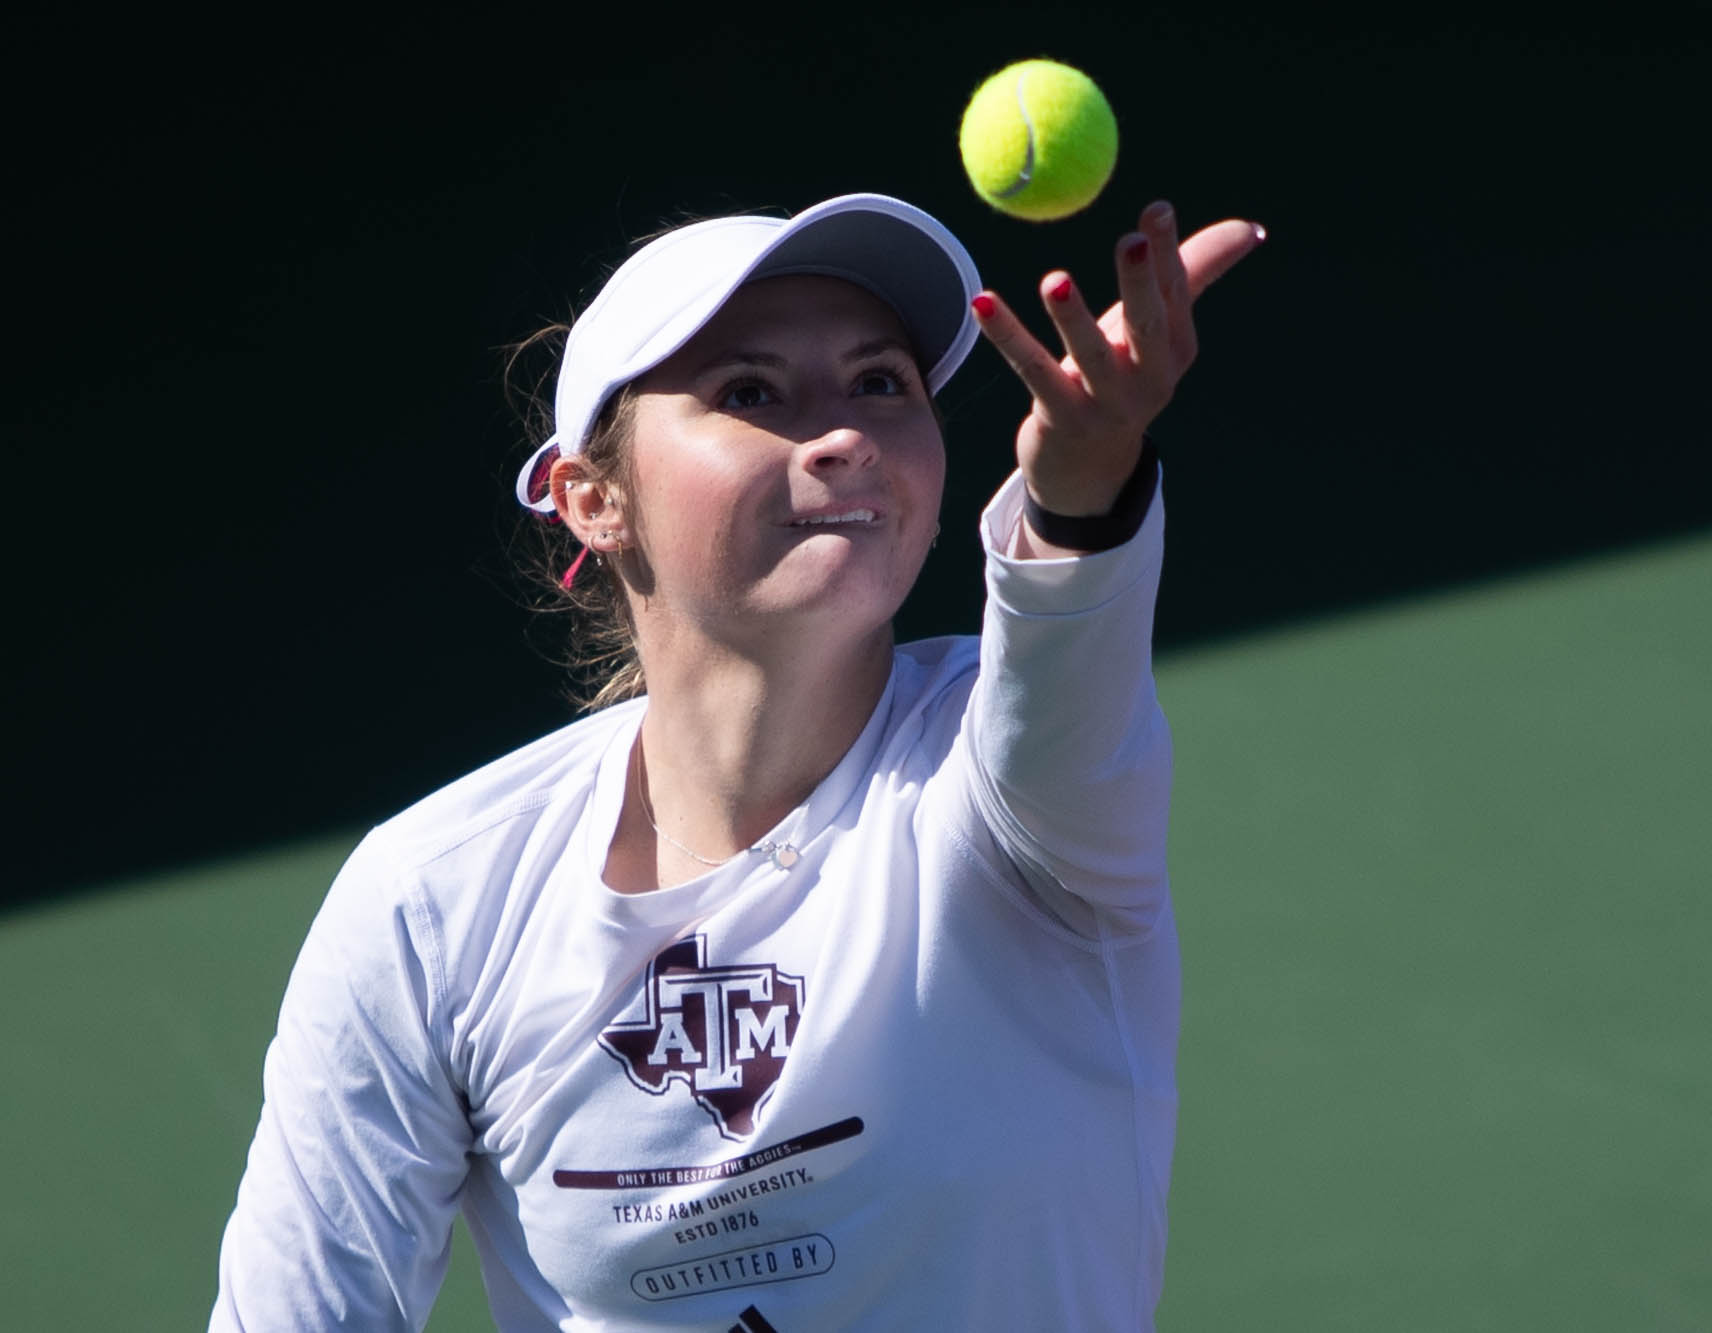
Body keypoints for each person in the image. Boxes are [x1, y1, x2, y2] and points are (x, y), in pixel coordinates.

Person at [210, 190, 1263, 1331]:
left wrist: (1080, 487)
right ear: (592, 499)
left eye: (881, 383)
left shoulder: (1015, 785)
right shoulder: (427, 901)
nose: (844, 432)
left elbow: (1063, 657)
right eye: (749, 392)